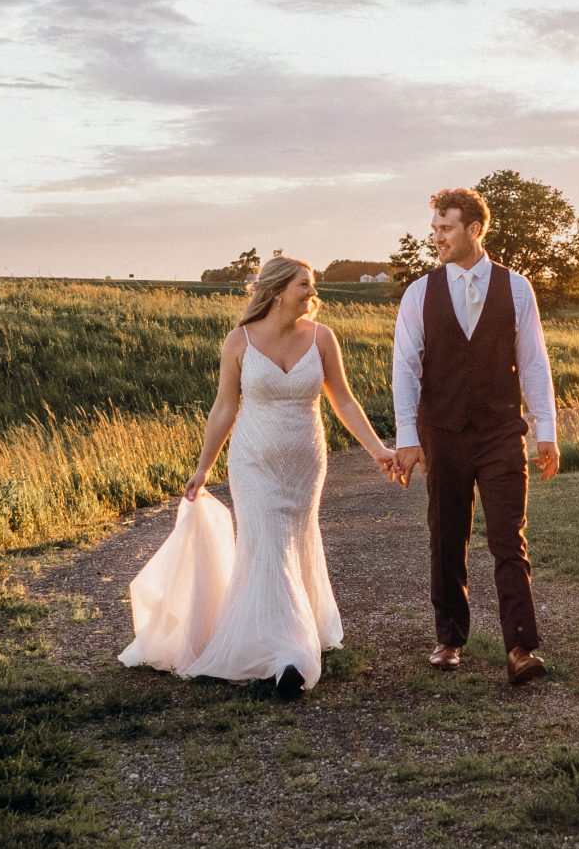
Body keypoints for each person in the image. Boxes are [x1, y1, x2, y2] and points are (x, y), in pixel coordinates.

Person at [118, 257, 395, 694]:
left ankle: (298, 629)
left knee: (294, 541)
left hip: (306, 462)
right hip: (253, 462)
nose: (312, 292)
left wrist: (379, 450)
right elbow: (225, 406)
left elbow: (343, 400)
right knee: (267, 545)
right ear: (279, 290)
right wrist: (202, 467)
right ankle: (287, 655)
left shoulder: (323, 338)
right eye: (305, 284)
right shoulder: (239, 340)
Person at [390, 186, 559, 685]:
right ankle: (449, 639)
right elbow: (405, 368)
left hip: (501, 431)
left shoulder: (517, 287)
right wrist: (407, 437)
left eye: (446, 228)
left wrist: (545, 429)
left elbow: (533, 361)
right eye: (435, 229)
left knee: (509, 537)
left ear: (475, 229)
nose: (437, 238)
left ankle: (521, 648)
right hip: (442, 433)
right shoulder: (420, 292)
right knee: (447, 535)